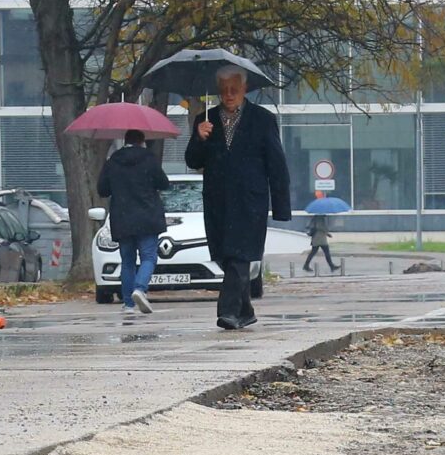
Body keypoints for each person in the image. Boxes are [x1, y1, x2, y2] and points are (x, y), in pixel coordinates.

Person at [184, 64, 293, 331]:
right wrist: (199, 138)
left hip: (249, 201)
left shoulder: (263, 119)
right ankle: (245, 310)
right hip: (218, 202)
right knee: (225, 256)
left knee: (239, 255)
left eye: (234, 89)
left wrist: (281, 206)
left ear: (244, 89)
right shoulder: (204, 120)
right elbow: (192, 160)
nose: (229, 94)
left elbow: (276, 164)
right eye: (224, 90)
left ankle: (228, 312)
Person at [96, 128, 170, 323]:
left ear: (125, 140)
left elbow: (102, 189)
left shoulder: (113, 161)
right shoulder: (149, 158)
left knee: (127, 261)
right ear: (142, 141)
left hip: (123, 218)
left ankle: (128, 304)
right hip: (147, 217)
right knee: (148, 257)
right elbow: (164, 183)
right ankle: (140, 288)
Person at [301, 194, 339, 274]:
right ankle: (331, 266)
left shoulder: (320, 216)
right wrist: (327, 232)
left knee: (315, 252)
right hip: (319, 238)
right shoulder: (319, 217)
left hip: (320, 237)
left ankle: (307, 265)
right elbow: (319, 227)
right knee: (323, 252)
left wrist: (326, 232)